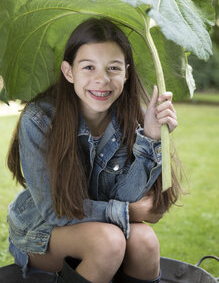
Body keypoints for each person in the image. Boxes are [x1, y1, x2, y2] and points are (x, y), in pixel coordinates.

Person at [7, 18, 181, 283]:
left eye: (113, 68)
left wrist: (153, 137)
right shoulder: (39, 119)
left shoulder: (135, 119)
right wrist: (130, 212)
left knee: (145, 241)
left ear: (126, 73)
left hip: (104, 229)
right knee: (108, 242)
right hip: (45, 231)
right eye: (89, 67)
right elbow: (55, 211)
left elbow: (127, 195)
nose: (102, 80)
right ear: (69, 72)